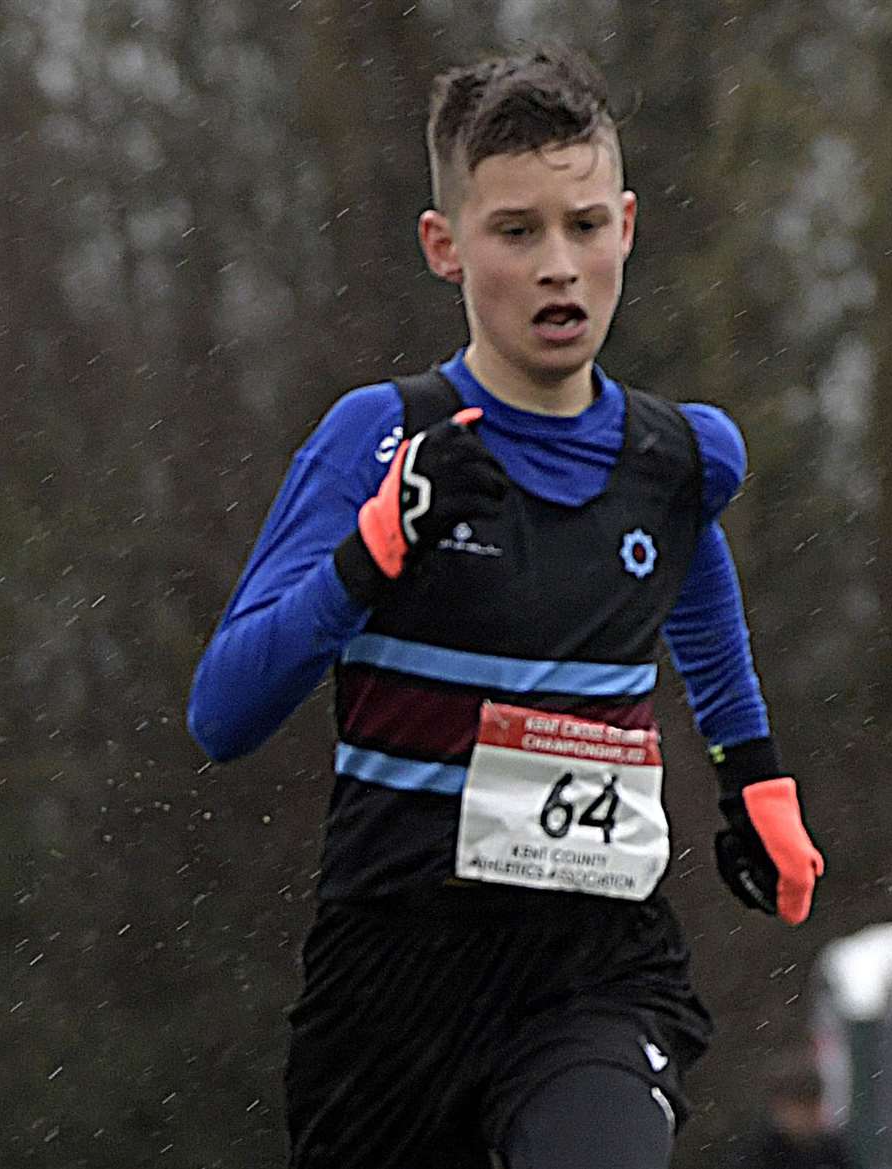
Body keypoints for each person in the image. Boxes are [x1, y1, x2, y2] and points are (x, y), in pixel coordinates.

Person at [187, 43, 825, 1169]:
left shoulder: (677, 462)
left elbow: (695, 582)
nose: (559, 267)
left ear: (628, 223)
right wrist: (370, 551)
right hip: (391, 980)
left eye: (585, 225)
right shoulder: (377, 439)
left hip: (591, 974)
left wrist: (755, 773)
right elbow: (222, 713)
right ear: (445, 246)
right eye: (517, 231)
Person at [721, 1050, 857, 1169]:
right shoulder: (759, 1153)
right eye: (801, 1107)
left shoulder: (832, 1149)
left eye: (811, 1106)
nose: (807, 1116)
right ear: (780, 1107)